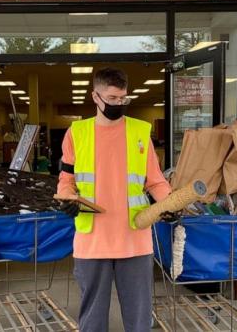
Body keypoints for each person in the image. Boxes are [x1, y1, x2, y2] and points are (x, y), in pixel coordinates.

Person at [57, 67, 172, 332]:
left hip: (134, 240)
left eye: (123, 99)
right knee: (92, 321)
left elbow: (155, 181)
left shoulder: (140, 133)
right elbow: (66, 181)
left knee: (140, 320)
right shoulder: (77, 133)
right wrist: (67, 199)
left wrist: (169, 205)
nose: (118, 104)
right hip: (92, 242)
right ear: (95, 97)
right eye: (112, 98)